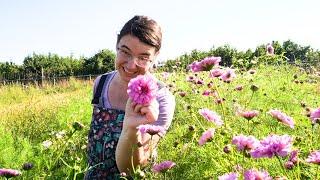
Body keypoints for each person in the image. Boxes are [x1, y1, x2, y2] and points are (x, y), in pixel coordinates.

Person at [85, 15, 175, 179]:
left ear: (155, 56)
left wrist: (131, 128)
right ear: (116, 46)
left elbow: (134, 169)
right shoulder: (101, 83)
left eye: (143, 57)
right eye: (125, 52)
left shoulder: (161, 99)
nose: (131, 65)